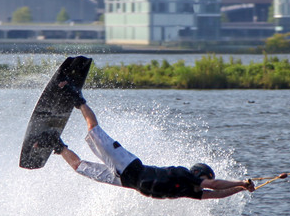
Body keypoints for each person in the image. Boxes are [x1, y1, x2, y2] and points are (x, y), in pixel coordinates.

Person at [33, 80, 272, 201]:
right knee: (94, 130)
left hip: (124, 181)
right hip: (128, 166)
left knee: (79, 168)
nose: (207, 184)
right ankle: (76, 97)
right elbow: (216, 185)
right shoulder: (187, 177)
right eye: (207, 179)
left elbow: (214, 195)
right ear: (201, 175)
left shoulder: (191, 191)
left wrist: (241, 190)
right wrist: (241, 181)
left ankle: (57, 144)